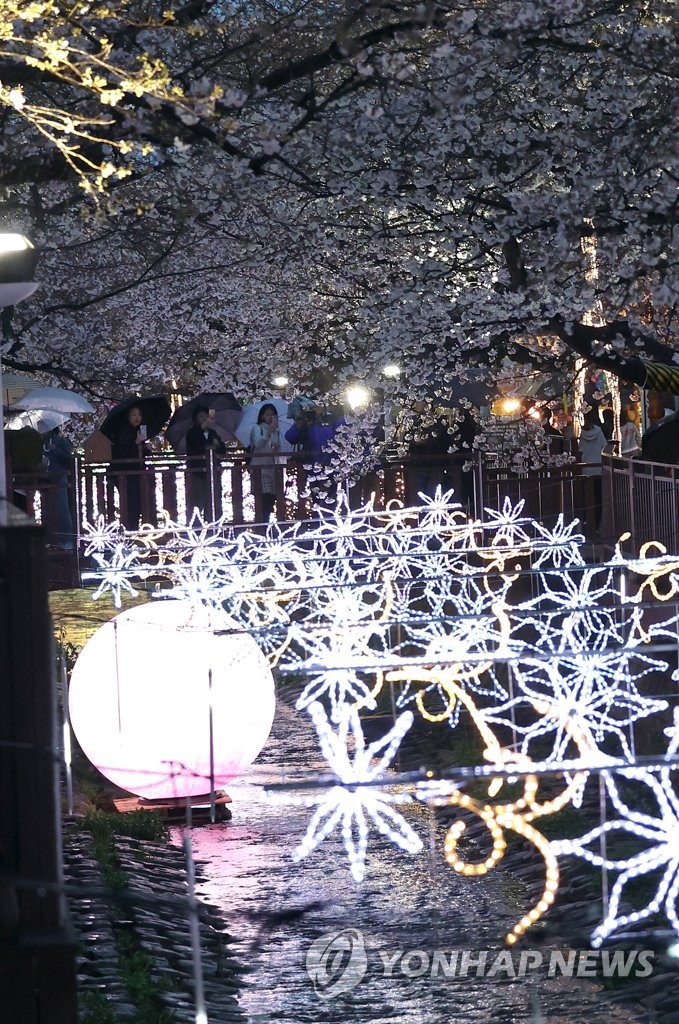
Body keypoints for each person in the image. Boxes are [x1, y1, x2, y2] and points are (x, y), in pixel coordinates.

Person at [109, 405, 147, 529]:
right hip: (124, 474)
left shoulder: (138, 431)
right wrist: (136, 442)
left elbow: (138, 453)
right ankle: (130, 530)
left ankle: (134, 529)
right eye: (133, 415)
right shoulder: (122, 431)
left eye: (139, 414)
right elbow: (122, 452)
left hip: (137, 473)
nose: (137, 417)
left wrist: (145, 448)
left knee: (138, 503)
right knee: (131, 504)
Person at [185, 406, 226, 516]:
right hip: (198, 471)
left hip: (213, 471)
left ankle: (214, 525)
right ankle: (196, 528)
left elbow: (222, 450)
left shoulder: (212, 432)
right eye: (201, 416)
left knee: (215, 501)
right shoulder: (192, 432)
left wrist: (218, 445)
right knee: (197, 501)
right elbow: (194, 448)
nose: (204, 418)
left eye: (206, 416)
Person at [250, 403, 283, 520]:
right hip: (260, 467)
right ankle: (261, 524)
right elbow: (258, 443)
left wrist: (276, 447)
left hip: (272, 467)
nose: (270, 417)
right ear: (262, 416)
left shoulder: (276, 431)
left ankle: (266, 521)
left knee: (271, 498)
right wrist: (268, 433)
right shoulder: (257, 428)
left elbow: (279, 447)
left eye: (273, 415)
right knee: (263, 497)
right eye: (268, 414)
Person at [578, 413, 610, 534]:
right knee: (597, 499)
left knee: (583, 498)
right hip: (597, 468)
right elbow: (605, 447)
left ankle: (585, 523)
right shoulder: (598, 431)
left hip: (583, 470)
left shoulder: (578, 433)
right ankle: (596, 525)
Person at [43, 427, 74, 549]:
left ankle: (66, 540)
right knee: (46, 510)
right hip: (44, 478)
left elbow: (68, 459)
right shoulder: (38, 442)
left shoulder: (60, 441)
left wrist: (55, 449)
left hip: (60, 477)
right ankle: (50, 540)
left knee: (62, 508)